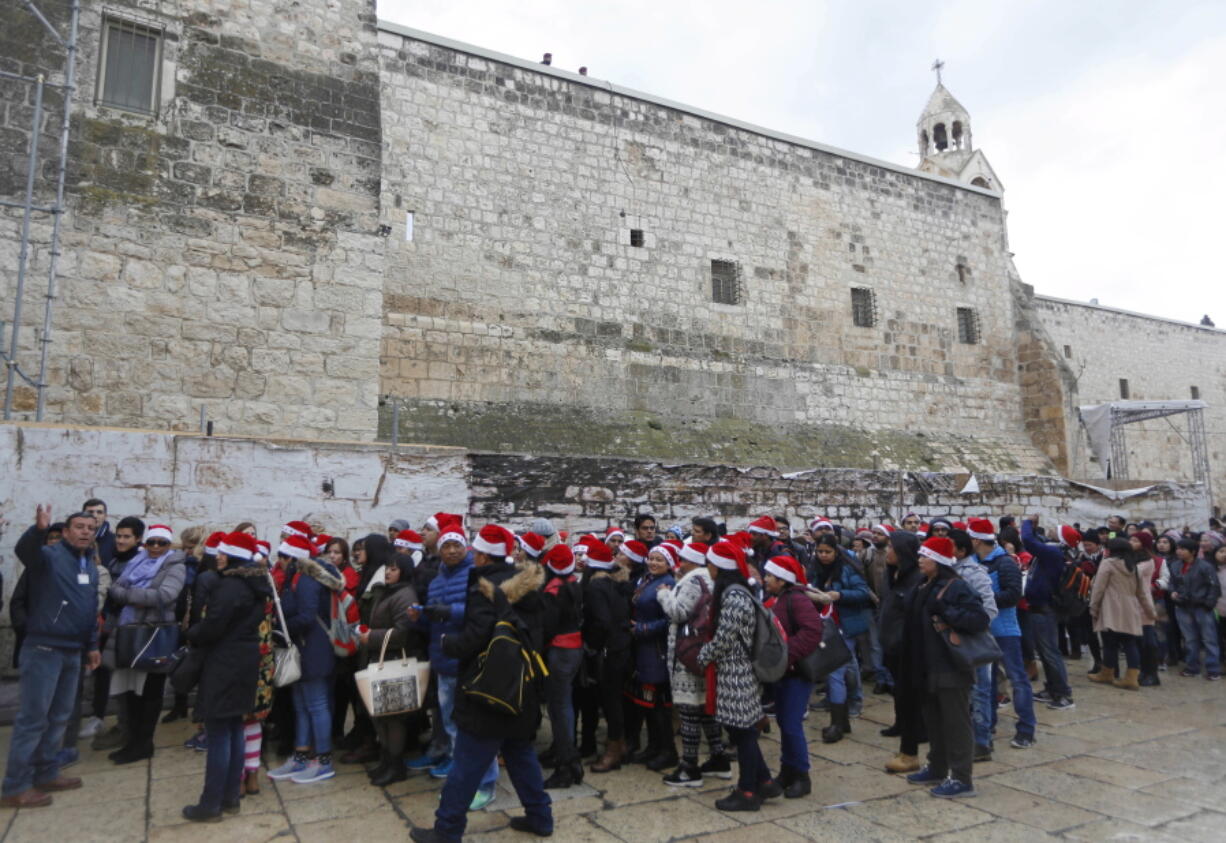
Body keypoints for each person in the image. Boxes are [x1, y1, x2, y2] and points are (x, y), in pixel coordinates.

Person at [410, 525, 551, 843]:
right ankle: (541, 817)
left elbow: (476, 637)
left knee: (466, 764)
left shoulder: (485, 589)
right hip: (521, 687)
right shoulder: (527, 586)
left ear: (484, 554)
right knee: (520, 754)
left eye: (476, 551)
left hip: (488, 690)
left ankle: (446, 830)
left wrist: (448, 643)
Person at [2, 506, 102, 808]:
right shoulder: (48, 556)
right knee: (33, 719)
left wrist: (92, 645)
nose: (85, 531)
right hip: (45, 648)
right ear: (67, 531)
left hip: (73, 651)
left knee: (59, 717)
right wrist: (39, 529)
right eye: (79, 526)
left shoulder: (90, 565)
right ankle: (15, 786)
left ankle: (46, 772)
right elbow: (24, 551)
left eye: (90, 527)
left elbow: (88, 609)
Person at [181, 531, 273, 822]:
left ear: (234, 555)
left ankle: (211, 804)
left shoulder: (231, 586)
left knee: (220, 732)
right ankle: (231, 796)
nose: (217, 556)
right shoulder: (254, 584)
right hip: (244, 660)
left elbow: (213, 626)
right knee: (234, 729)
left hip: (225, 662)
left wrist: (191, 633)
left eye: (222, 552)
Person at [903, 537, 991, 799]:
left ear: (939, 561)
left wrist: (947, 614)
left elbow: (979, 619)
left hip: (949, 664)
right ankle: (938, 766)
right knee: (934, 719)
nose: (919, 559)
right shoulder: (923, 584)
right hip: (926, 663)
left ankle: (962, 778)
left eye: (925, 556)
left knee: (956, 721)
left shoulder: (955, 587)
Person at [699, 540, 781, 812]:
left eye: (709, 563)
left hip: (737, 671)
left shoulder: (734, 597)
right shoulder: (737, 593)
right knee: (741, 729)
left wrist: (703, 655)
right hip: (736, 669)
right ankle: (765, 781)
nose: (707, 568)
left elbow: (724, 638)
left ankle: (747, 791)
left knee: (743, 732)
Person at [103, 523, 186, 764]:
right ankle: (133, 739)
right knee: (130, 690)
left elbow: (165, 596)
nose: (156, 547)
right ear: (145, 543)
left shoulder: (175, 566)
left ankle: (144, 742)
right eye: (152, 542)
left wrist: (128, 595)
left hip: (153, 634)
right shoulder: (135, 561)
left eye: (162, 543)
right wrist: (135, 596)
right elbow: (114, 588)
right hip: (127, 630)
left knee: (149, 691)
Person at [267, 534, 344, 784]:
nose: (281, 561)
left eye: (284, 556)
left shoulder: (307, 580)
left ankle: (323, 761)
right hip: (302, 648)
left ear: (294, 558)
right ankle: (301, 756)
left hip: (313, 648)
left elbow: (308, 616)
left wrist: (281, 628)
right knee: (301, 704)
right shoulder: (296, 578)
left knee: (317, 704)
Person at [656, 542, 731, 788]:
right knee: (705, 708)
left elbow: (678, 613)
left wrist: (664, 593)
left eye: (683, 559)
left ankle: (689, 767)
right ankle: (719, 758)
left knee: (689, 711)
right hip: (704, 652)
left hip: (688, 654)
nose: (680, 563)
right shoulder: (710, 579)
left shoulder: (693, 580)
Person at [968, 519, 1034, 751]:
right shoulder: (974, 561)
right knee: (988, 682)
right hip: (985, 631)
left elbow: (1014, 595)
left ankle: (1026, 729)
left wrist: (981, 600)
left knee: (1017, 679)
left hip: (1005, 631)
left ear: (976, 540)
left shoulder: (1005, 563)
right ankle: (989, 723)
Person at [359, 553, 422, 786]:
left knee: (393, 717)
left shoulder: (405, 594)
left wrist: (371, 637)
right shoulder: (388, 591)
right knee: (381, 716)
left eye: (394, 569)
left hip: (394, 661)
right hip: (380, 658)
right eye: (387, 568)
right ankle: (386, 761)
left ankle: (396, 765)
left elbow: (403, 632)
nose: (388, 572)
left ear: (403, 571)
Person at [763, 555, 823, 798]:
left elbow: (812, 631)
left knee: (791, 723)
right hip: (784, 673)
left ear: (782, 579)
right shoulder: (781, 598)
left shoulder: (797, 600)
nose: (766, 579)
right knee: (784, 722)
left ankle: (801, 774)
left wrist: (785, 656)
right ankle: (788, 769)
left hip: (795, 672)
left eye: (770, 576)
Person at [810, 533, 872, 743]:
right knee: (847, 666)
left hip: (845, 624)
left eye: (827, 552)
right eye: (820, 552)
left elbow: (863, 592)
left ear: (836, 552)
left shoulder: (846, 569)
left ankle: (837, 721)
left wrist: (840, 595)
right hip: (828, 626)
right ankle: (844, 715)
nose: (823, 556)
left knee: (835, 671)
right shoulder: (817, 569)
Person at [948, 528, 997, 762]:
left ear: (960, 549)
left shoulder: (974, 573)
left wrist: (963, 625)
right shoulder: (946, 570)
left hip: (973, 640)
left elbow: (989, 609)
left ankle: (981, 741)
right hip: (952, 642)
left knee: (979, 691)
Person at [538, 544, 585, 789]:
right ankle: (566, 756)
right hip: (574, 649)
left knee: (559, 707)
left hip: (560, 651)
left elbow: (548, 626)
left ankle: (566, 764)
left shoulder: (554, 590)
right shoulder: (573, 583)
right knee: (563, 704)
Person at [584, 540, 633, 774]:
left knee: (611, 700)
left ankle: (614, 748)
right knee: (615, 700)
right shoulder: (616, 583)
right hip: (621, 646)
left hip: (610, 650)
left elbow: (602, 621)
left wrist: (591, 644)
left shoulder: (596, 586)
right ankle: (620, 741)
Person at [879, 530, 925, 773]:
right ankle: (906, 736)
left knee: (910, 699)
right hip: (893, 648)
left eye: (892, 548)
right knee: (901, 695)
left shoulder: (916, 579)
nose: (888, 552)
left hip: (908, 650)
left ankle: (910, 752)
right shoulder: (893, 575)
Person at [628, 545, 676, 771]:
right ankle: (654, 746)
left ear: (668, 564)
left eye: (659, 560)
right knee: (646, 702)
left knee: (659, 705)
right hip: (643, 649)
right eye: (651, 558)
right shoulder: (647, 580)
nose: (654, 562)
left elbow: (670, 620)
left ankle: (668, 750)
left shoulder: (668, 584)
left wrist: (643, 628)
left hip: (656, 649)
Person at [1021, 517, 1077, 710]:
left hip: (1045, 610)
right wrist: (1035, 529)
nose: (1051, 530)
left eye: (1056, 529)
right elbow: (1037, 540)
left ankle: (1063, 694)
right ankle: (1052, 688)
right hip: (1039, 609)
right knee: (1045, 652)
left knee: (1050, 652)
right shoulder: (1054, 550)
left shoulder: (1053, 553)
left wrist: (1027, 522)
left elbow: (1028, 541)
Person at [1088, 538, 1156, 690]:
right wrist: (1150, 611)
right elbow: (1142, 592)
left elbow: (1098, 587)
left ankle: (1107, 673)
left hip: (1110, 607)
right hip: (1130, 607)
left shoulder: (1108, 563)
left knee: (1109, 643)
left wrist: (1093, 607)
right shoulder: (1134, 566)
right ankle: (1131, 678)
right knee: (1130, 643)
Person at [1169, 536, 1223, 680]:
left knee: (1209, 639)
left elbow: (1214, 586)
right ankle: (1192, 667)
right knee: (1189, 639)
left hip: (1202, 607)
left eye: (1183, 549)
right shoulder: (1175, 565)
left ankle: (1213, 669)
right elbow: (1172, 583)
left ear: (1192, 552)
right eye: (1178, 548)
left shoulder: (1205, 566)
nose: (1179, 551)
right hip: (1182, 606)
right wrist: (1172, 592)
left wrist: (1208, 604)